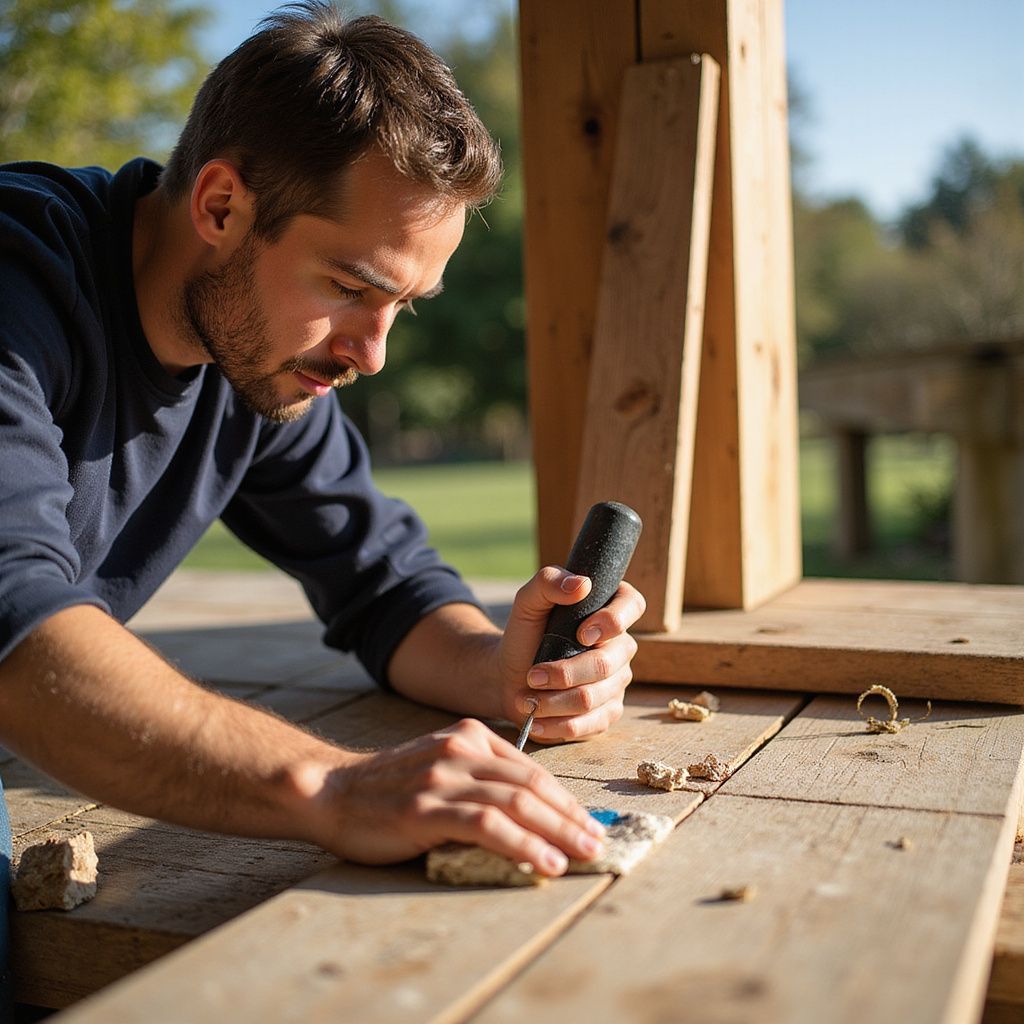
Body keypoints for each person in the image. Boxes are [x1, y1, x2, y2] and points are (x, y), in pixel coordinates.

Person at [0, 0, 645, 999]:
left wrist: (502, 670)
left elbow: (380, 578)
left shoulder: (254, 351)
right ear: (221, 206)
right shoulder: (19, 291)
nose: (372, 353)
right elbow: (15, 638)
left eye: (401, 308)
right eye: (351, 285)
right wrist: (333, 786)